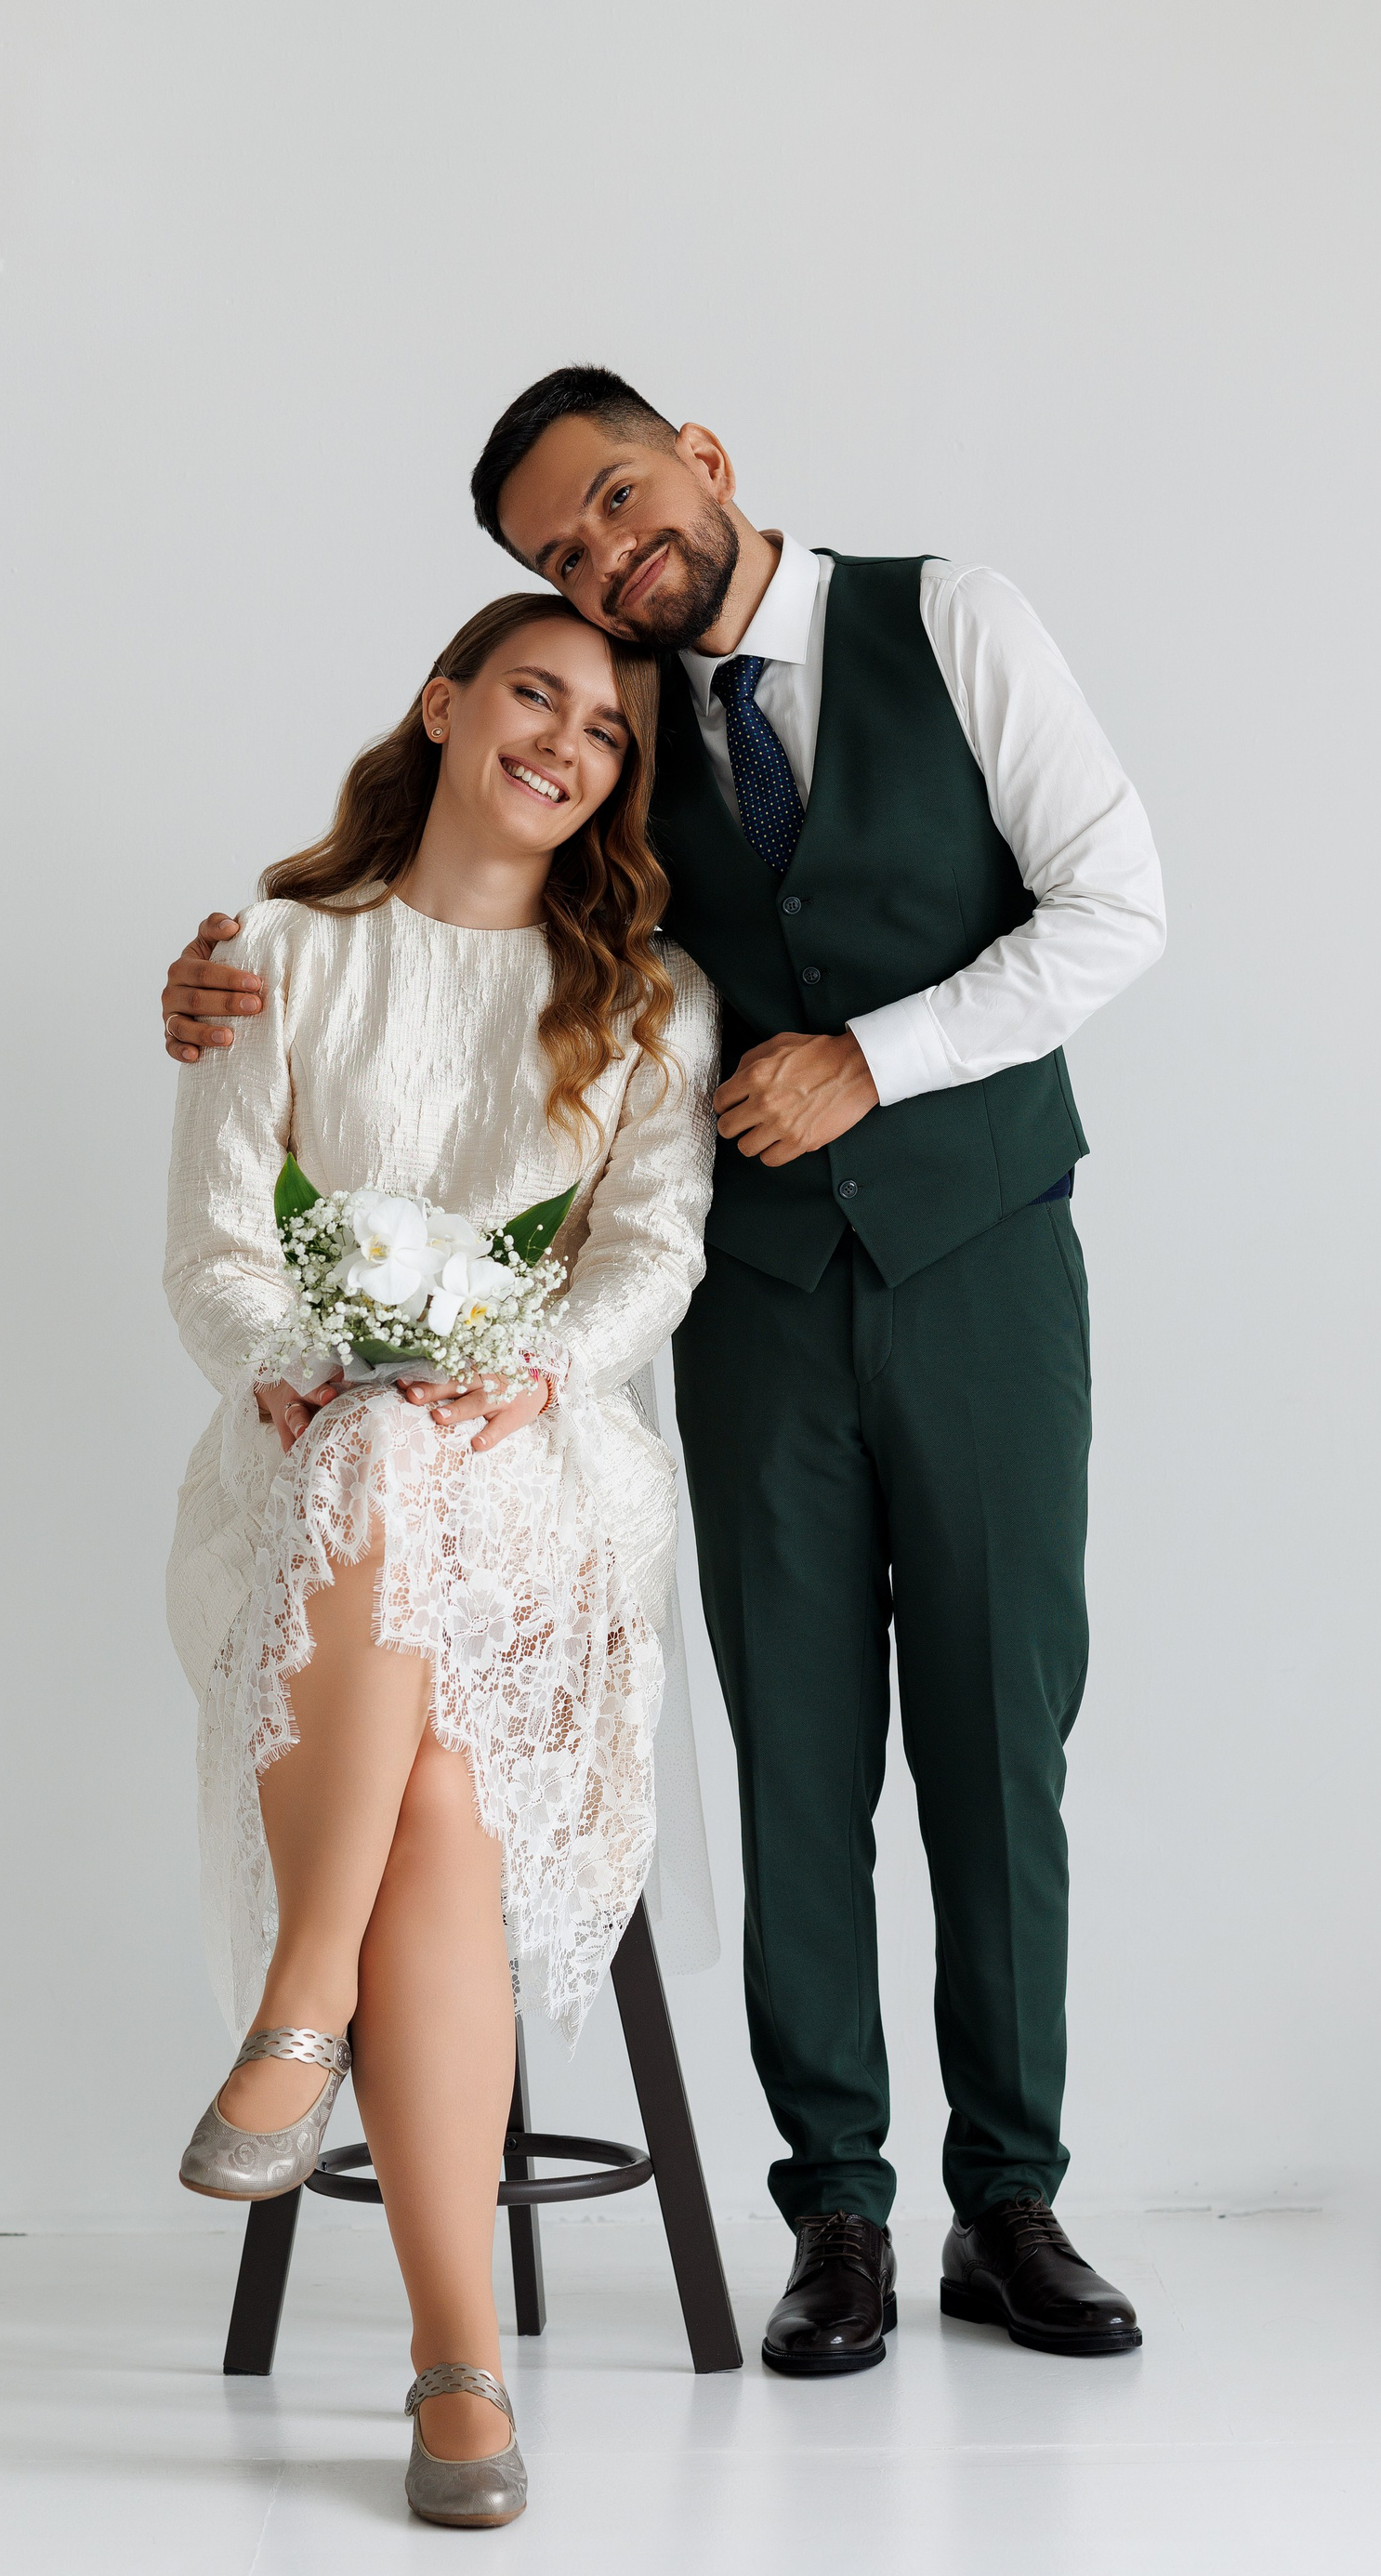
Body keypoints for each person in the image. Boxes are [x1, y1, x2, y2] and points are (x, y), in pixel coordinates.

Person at [163, 365, 1165, 2380]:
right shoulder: (612, 738)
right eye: (564, 554)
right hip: (756, 1299)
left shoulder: (955, 618)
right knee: (798, 1743)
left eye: (619, 503)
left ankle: (1010, 2200)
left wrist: (876, 1060)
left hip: (977, 1254)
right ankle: (836, 2214)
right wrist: (219, 983)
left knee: (998, 1729)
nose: (610, 560)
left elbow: (1114, 908)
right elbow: (445, 939)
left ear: (700, 459)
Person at [164, 588, 717, 2523]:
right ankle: (454, 2367)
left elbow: (651, 1254)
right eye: (533, 696)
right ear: (444, 703)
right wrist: (294, 1367)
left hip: (548, 1465)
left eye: (607, 730)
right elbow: (217, 1254)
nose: (565, 743)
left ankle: (298, 2010)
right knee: (440, 1793)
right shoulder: (275, 959)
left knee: (424, 1464)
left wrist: (529, 1373)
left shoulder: (645, 995)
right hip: (307, 1463)